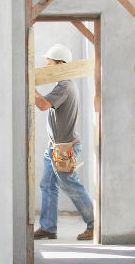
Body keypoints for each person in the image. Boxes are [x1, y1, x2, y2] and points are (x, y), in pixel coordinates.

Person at [33, 44, 96, 241]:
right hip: (55, 148)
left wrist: (30, 87)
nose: (46, 66)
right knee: (48, 185)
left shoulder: (65, 86)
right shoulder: (63, 85)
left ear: (60, 64)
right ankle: (48, 227)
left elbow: (43, 105)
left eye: (49, 63)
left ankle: (95, 224)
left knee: (70, 184)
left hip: (64, 149)